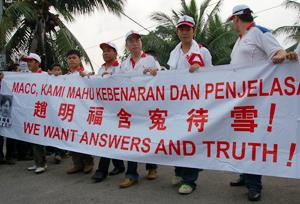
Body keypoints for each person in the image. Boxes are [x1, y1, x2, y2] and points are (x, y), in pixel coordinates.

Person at [227, 5, 292, 201]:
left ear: (237, 19)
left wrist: (281, 55)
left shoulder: (260, 32)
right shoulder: (240, 41)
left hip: (256, 100)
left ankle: (254, 185)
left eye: (233, 21)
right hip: (239, 99)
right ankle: (244, 175)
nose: (232, 24)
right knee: (240, 139)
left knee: (251, 142)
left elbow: (278, 52)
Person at [167, 15, 212, 195]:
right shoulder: (174, 52)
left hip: (195, 104)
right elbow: (170, 77)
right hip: (177, 105)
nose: (185, 32)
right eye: (181, 29)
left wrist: (199, 70)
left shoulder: (203, 52)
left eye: (188, 29)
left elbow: (214, 78)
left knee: (190, 140)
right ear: (177, 31)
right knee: (176, 139)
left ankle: (190, 180)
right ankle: (178, 171)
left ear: (194, 30)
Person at [118, 31, 159, 188]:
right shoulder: (124, 64)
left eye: (137, 40)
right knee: (132, 140)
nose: (135, 43)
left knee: (148, 138)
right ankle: (131, 174)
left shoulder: (149, 59)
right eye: (131, 41)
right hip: (130, 108)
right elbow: (118, 83)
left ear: (141, 43)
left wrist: (156, 72)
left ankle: (152, 168)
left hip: (147, 107)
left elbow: (161, 76)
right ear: (127, 45)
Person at [91, 42, 125, 183]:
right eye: (104, 51)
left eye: (109, 50)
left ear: (115, 53)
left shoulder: (121, 68)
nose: (105, 53)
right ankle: (119, 165)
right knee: (109, 139)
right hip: (104, 110)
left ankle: (101, 170)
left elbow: (124, 85)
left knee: (107, 139)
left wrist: (110, 79)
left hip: (117, 110)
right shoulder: (100, 69)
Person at [65, 50, 94, 174]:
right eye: (69, 58)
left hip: (82, 112)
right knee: (71, 137)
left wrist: (89, 77)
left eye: (74, 57)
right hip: (68, 111)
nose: (71, 60)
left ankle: (88, 162)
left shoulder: (85, 73)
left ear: (79, 59)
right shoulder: (64, 76)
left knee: (82, 137)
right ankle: (77, 164)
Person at [22, 53, 48, 174]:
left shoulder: (44, 76)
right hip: (31, 111)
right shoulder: (26, 76)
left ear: (37, 63)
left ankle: (42, 164)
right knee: (33, 138)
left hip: (41, 111)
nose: (28, 63)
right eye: (27, 61)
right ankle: (37, 162)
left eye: (31, 61)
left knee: (38, 138)